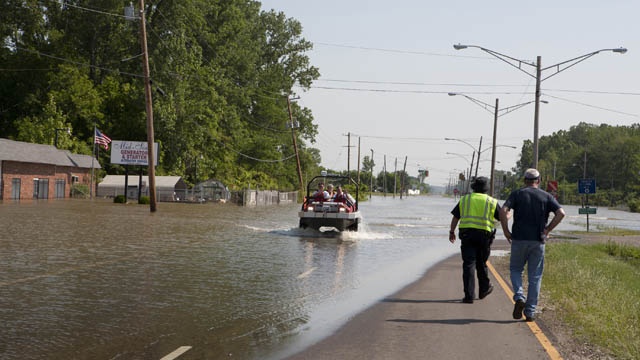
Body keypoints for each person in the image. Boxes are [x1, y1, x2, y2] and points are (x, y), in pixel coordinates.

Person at [499, 168, 565, 321]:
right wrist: (548, 229)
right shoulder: (547, 196)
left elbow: (503, 211)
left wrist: (506, 231)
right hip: (538, 241)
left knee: (516, 269)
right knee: (535, 276)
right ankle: (530, 312)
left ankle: (519, 296)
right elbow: (561, 213)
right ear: (539, 181)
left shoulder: (517, 194)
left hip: (518, 240)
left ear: (524, 181)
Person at [449, 176, 501, 304]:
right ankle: (484, 289)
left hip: (467, 235)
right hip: (484, 236)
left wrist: (452, 232)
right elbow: (501, 218)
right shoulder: (491, 201)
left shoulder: (465, 199)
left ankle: (469, 296)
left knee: (468, 264)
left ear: (474, 188)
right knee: (481, 263)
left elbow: (456, 217)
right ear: (486, 189)